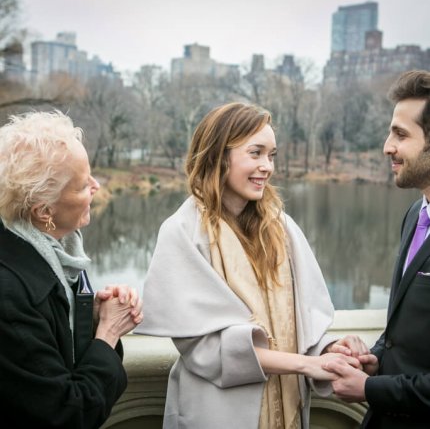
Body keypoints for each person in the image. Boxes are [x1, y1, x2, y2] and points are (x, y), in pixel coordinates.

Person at [135, 102, 369, 428]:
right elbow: (208, 350)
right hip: (218, 413)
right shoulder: (183, 232)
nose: (267, 166)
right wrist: (304, 364)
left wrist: (331, 347)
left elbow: (304, 324)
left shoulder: (281, 228)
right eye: (255, 153)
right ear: (218, 155)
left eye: (271, 155)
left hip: (288, 407)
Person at [0, 110, 143, 429]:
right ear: (45, 210)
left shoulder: (58, 260)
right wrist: (107, 334)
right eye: (82, 185)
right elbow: (68, 414)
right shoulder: (9, 294)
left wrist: (88, 318)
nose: (96, 186)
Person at [323, 70, 430, 428]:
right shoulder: (415, 214)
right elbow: (405, 328)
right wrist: (376, 358)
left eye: (400, 134)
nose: (387, 146)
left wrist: (371, 388)